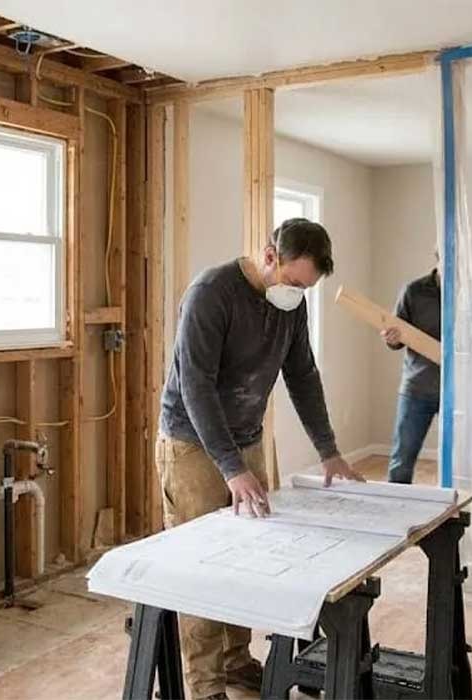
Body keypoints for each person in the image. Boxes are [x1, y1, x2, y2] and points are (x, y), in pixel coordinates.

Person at [156, 218, 363, 700]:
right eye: (293, 282)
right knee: (202, 563)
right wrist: (232, 469)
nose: (297, 294)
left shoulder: (292, 306)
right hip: (192, 443)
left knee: (248, 557)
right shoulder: (211, 294)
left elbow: (303, 376)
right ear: (270, 256)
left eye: (305, 287)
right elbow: (196, 387)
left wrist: (329, 451)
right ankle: (205, 685)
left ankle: (236, 662)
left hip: (247, 437)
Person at [380, 255, 441, 484]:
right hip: (417, 389)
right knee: (401, 462)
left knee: (459, 465)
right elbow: (395, 338)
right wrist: (391, 338)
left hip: (457, 394)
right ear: (438, 257)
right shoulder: (414, 291)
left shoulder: (471, 294)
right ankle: (395, 506)